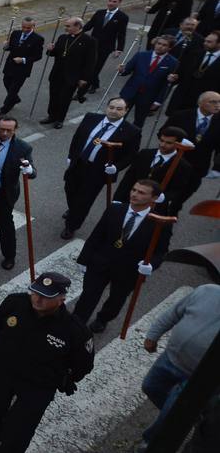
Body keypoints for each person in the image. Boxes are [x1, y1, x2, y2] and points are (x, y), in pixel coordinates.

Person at [0, 270, 93, 453]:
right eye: (35, 292)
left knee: (17, 433)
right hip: (2, 373)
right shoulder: (14, 304)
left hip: (37, 386)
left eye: (46, 296)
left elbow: (83, 365)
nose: (37, 299)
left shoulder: (74, 331)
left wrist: (64, 379)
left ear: (61, 299)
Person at [74, 178, 174, 333]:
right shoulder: (115, 210)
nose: (134, 194)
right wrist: (84, 259)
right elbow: (96, 236)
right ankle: (76, 326)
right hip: (101, 263)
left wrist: (151, 265)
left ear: (154, 198)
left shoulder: (160, 223)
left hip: (129, 271)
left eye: (141, 193)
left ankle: (103, 319)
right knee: (88, 296)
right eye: (134, 190)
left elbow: (161, 251)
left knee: (116, 300)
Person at [140, 283, 220, 444]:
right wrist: (152, 336)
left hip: (199, 377)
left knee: (171, 413)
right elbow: (172, 314)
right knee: (150, 387)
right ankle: (185, 419)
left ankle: (150, 445)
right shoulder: (207, 291)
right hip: (170, 359)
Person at [61, 98, 140, 239]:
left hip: (98, 171)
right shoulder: (91, 118)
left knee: (84, 200)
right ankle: (73, 210)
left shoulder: (131, 131)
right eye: (112, 107)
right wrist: (71, 156)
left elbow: (131, 155)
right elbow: (78, 138)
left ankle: (71, 225)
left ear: (126, 111)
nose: (114, 111)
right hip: (78, 163)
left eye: (119, 109)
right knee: (69, 189)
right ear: (107, 107)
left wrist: (116, 167)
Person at [112, 126, 200, 216]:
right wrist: (117, 199)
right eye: (161, 140)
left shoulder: (183, 166)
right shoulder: (145, 154)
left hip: (154, 208)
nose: (162, 145)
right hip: (129, 201)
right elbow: (128, 179)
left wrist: (164, 197)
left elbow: (178, 190)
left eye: (168, 143)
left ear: (178, 144)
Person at [0, 118, 36, 271]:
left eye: (9, 130)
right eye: (2, 129)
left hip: (4, 193)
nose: (5, 133)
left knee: (5, 225)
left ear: (15, 129)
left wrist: (29, 171)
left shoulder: (23, 148)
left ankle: (9, 255)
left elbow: (32, 171)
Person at [40, 17, 97, 128]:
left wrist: (84, 78)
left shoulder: (89, 41)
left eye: (68, 26)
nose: (65, 28)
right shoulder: (62, 37)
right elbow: (54, 53)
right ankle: (51, 116)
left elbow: (90, 62)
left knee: (64, 99)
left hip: (72, 76)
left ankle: (60, 119)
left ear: (77, 26)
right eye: (65, 25)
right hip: (57, 73)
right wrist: (50, 49)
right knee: (53, 96)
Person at [117, 36, 179, 126]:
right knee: (119, 117)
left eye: (164, 45)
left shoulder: (173, 62)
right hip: (129, 92)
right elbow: (127, 70)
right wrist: (122, 70)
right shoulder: (141, 55)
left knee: (139, 122)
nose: (160, 46)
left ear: (170, 48)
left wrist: (158, 101)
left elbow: (166, 85)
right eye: (159, 43)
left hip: (148, 97)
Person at [81, 0, 130, 95]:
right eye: (110, 1)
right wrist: (78, 31)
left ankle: (82, 91)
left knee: (96, 67)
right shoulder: (100, 13)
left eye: (114, 2)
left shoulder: (122, 17)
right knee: (88, 65)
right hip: (92, 44)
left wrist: (119, 49)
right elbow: (89, 25)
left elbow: (121, 34)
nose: (111, 3)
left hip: (106, 47)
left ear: (119, 3)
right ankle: (95, 83)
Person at [0, 17, 45, 116]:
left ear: (33, 26)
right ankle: (15, 98)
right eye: (24, 27)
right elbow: (11, 47)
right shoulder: (15, 33)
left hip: (22, 68)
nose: (25, 29)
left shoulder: (38, 39)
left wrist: (23, 60)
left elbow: (38, 56)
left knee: (14, 89)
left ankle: (4, 109)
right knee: (6, 83)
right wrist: (6, 46)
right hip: (10, 64)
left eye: (28, 28)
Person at [167, 31, 220, 115]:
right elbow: (181, 72)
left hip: (202, 104)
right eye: (205, 41)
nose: (205, 43)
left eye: (209, 42)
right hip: (182, 99)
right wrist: (174, 77)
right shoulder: (194, 53)